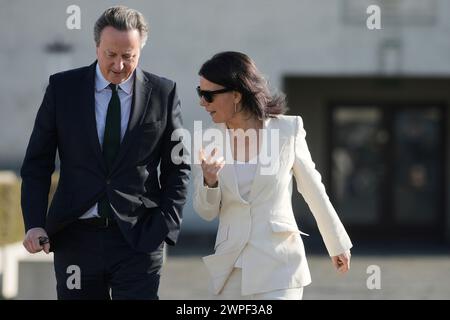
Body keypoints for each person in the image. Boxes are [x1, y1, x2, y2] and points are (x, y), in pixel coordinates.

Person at [20, 6, 190, 300]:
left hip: (140, 239)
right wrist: (34, 223)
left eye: (129, 56)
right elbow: (37, 163)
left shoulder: (164, 93)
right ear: (96, 46)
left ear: (140, 51)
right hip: (75, 238)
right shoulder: (63, 89)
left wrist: (165, 225)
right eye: (111, 54)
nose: (119, 65)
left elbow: (179, 167)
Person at [193, 51, 352, 300]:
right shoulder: (210, 138)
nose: (203, 102)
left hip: (280, 265)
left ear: (236, 94)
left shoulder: (287, 130)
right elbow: (206, 212)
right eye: (199, 93)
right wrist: (209, 182)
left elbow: (313, 190)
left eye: (209, 95)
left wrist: (337, 242)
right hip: (231, 267)